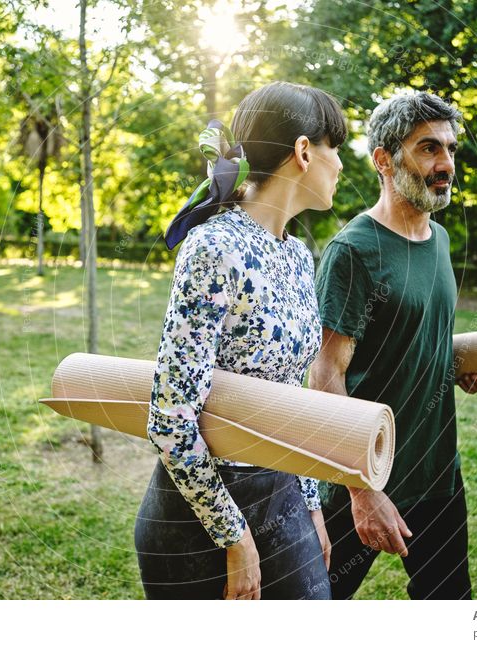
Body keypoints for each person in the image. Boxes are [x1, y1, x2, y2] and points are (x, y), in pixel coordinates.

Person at [135, 81, 347, 600]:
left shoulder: (299, 257)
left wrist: (312, 505)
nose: (340, 165)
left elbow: (291, 398)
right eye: (334, 149)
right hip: (198, 518)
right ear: (303, 152)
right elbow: (169, 416)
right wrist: (235, 538)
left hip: (280, 493)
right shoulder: (213, 247)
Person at [310, 90, 477, 600]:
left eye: (451, 149)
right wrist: (362, 490)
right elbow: (326, 375)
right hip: (364, 475)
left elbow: (417, 335)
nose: (447, 164)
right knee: (312, 605)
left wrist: (458, 366)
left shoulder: (438, 239)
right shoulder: (353, 251)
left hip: (438, 473)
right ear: (383, 159)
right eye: (429, 149)